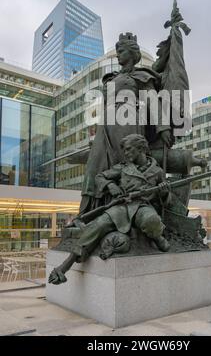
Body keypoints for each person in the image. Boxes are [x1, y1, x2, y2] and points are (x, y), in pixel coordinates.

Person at [48, 134, 170, 285]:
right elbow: (100, 177)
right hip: (122, 208)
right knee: (97, 225)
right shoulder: (123, 168)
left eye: (128, 149)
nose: (125, 153)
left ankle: (158, 237)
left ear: (141, 149)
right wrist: (110, 185)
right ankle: (65, 265)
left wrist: (164, 191)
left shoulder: (157, 171)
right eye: (124, 150)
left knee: (151, 220)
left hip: (142, 207)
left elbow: (166, 201)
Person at [78, 32, 171, 216]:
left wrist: (163, 127)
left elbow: (152, 100)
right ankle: (90, 212)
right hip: (107, 124)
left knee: (125, 162)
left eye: (121, 51)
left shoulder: (141, 75)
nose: (118, 55)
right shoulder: (112, 77)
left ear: (131, 53)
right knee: (95, 164)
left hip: (127, 121)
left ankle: (125, 211)